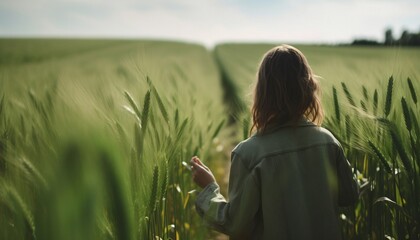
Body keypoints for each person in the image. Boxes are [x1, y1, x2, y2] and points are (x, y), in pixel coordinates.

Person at [189, 44, 359, 240]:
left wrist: (210, 188)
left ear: (261, 93)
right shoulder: (328, 142)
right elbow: (349, 195)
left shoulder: (248, 154)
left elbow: (235, 224)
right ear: (308, 88)